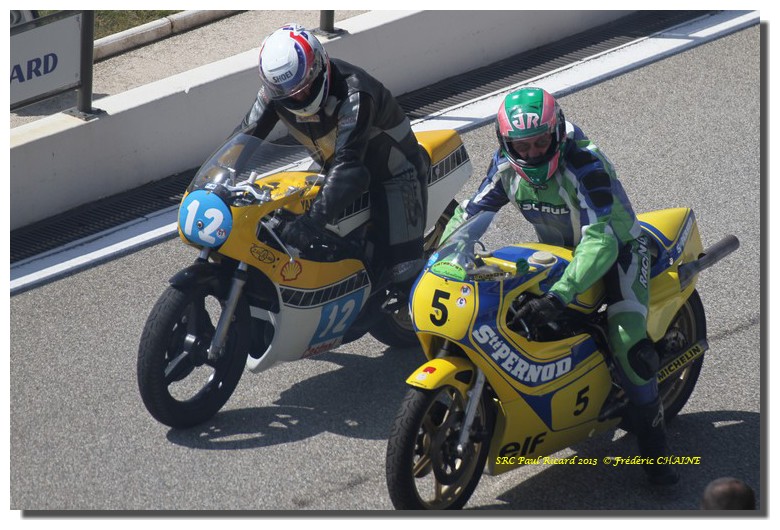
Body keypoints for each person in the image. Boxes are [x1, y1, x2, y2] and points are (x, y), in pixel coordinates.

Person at [442, 86, 678, 485]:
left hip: (619, 248)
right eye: (522, 146)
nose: (532, 153)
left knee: (626, 339)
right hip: (560, 252)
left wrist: (559, 295)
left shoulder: (585, 164)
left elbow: (600, 239)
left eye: (540, 142)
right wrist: (447, 256)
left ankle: (657, 450)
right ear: (505, 143)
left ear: (556, 133)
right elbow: (473, 212)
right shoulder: (505, 165)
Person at [237, 23, 429, 289]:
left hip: (393, 175)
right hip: (336, 172)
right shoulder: (276, 93)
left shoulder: (355, 94)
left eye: (302, 86)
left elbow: (349, 167)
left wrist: (311, 223)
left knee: (403, 274)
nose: (297, 96)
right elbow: (243, 138)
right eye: (286, 92)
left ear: (318, 66)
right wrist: (216, 183)